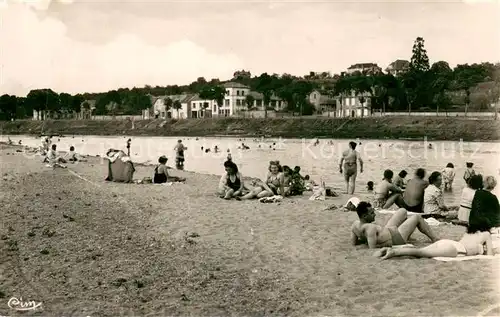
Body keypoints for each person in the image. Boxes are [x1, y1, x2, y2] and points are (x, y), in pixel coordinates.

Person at [374, 204, 495, 260]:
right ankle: (394, 252)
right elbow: (489, 255)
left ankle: (395, 250)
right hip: (457, 250)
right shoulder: (486, 234)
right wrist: (483, 250)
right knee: (420, 252)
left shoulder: (468, 233)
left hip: (448, 243)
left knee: (422, 251)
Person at [351, 201, 439, 249]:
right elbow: (372, 248)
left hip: (388, 230)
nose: (375, 214)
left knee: (402, 211)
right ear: (364, 216)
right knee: (417, 217)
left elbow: (354, 243)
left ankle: (408, 234)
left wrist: (366, 240)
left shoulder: (355, 225)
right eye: (372, 213)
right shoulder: (370, 228)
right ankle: (435, 239)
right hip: (396, 237)